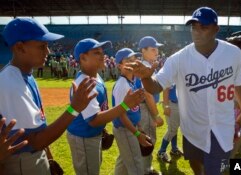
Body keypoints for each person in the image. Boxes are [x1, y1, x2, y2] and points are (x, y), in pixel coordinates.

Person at [126, 7, 241, 175]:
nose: (197, 32)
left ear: (216, 29)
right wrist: (146, 77)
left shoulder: (232, 53)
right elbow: (156, 86)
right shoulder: (178, 58)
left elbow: (239, 82)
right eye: (193, 27)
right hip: (193, 130)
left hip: (222, 127)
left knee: (216, 170)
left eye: (203, 27)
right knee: (196, 165)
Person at [0, 18, 97, 175]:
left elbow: (38, 127)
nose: (48, 51)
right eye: (42, 46)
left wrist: (49, 159)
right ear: (20, 47)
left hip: (34, 156)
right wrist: (74, 109)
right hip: (23, 162)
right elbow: (36, 140)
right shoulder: (11, 82)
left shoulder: (25, 75)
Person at [66, 39, 145, 175]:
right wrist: (125, 105)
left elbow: (98, 111)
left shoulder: (95, 76)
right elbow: (94, 119)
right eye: (97, 53)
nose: (103, 55)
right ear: (83, 58)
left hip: (91, 134)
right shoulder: (85, 83)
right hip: (83, 137)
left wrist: (102, 129)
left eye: (102, 52)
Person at [112, 48, 152, 175]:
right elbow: (121, 115)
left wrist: (139, 127)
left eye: (135, 59)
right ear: (119, 66)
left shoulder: (133, 81)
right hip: (125, 130)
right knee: (136, 165)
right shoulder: (122, 85)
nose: (134, 62)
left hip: (131, 128)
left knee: (124, 162)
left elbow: (135, 108)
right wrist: (137, 134)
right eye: (129, 60)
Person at [136, 36, 164, 175]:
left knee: (148, 140)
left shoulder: (148, 66)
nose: (156, 51)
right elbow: (147, 95)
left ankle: (146, 169)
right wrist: (156, 115)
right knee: (147, 141)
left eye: (157, 48)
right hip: (145, 108)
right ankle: (144, 171)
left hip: (147, 107)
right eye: (153, 49)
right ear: (143, 50)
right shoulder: (144, 67)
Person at [157, 85, 183, 163]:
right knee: (172, 129)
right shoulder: (172, 73)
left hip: (178, 104)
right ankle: (161, 151)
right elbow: (165, 90)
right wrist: (166, 106)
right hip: (171, 104)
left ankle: (174, 149)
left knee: (174, 128)